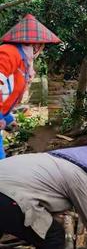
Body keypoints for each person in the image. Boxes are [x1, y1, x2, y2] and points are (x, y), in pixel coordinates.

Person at [0, 14, 61, 158]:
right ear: (36, 45)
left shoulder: (22, 61)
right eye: (42, 47)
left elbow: (6, 93)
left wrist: (8, 119)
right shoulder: (8, 53)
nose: (41, 50)